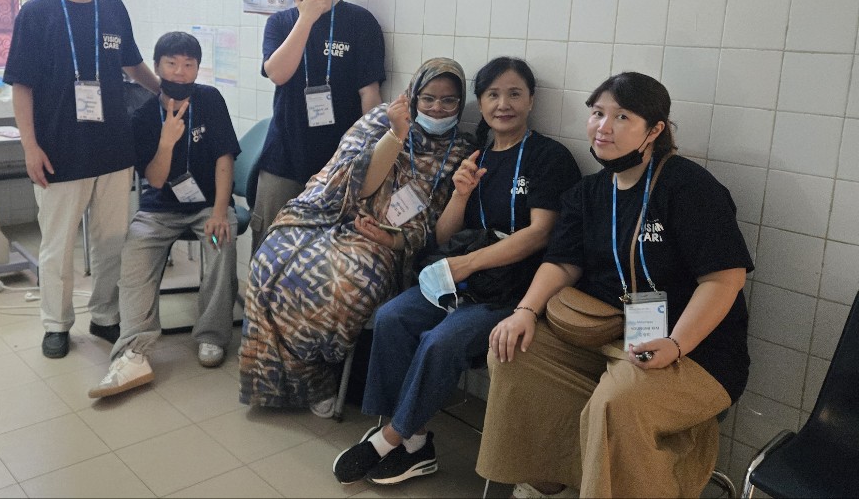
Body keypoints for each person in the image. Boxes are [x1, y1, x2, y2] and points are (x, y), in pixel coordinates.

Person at [477, 72, 752, 498]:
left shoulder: (688, 187)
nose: (603, 126)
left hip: (695, 351)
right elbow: (562, 263)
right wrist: (525, 311)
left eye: (622, 116)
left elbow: (724, 278)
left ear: (654, 130)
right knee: (513, 351)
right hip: (604, 333)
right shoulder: (588, 193)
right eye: (597, 113)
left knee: (619, 400)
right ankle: (546, 479)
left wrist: (676, 343)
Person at [332, 58, 580, 486]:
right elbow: (445, 236)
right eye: (493, 95)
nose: (503, 104)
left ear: (531, 100)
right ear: (480, 103)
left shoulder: (548, 157)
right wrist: (461, 195)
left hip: (512, 287)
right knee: (392, 317)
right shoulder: (473, 154)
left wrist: (468, 263)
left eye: (514, 94)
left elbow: (540, 233)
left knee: (440, 340)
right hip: (459, 277)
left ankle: (390, 438)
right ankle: (416, 443)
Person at [240, 58, 473, 416]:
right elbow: (350, 184)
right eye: (427, 98)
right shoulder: (381, 119)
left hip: (387, 240)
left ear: (461, 102)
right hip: (330, 214)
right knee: (269, 261)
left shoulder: (460, 151)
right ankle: (273, 377)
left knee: (341, 285)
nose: (437, 108)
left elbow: (435, 228)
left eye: (448, 100)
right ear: (412, 96)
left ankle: (317, 377)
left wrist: (390, 240)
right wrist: (396, 135)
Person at [4, 0, 160, 359]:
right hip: (58, 151)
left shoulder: (113, 8)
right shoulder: (36, 14)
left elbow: (133, 64)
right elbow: (22, 86)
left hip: (113, 149)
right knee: (57, 248)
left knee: (112, 243)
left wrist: (164, 92)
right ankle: (56, 324)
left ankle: (105, 316)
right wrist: (30, 146)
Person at [88, 32, 241, 398]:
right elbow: (155, 180)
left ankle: (212, 335)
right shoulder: (143, 115)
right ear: (157, 67)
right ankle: (134, 351)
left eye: (189, 64)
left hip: (208, 207)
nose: (180, 71)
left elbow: (224, 160)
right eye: (172, 63)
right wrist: (167, 141)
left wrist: (221, 212)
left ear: (198, 69)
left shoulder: (210, 100)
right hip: (159, 211)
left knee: (221, 242)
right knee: (135, 252)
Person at [250, 0, 386, 255]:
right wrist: (307, 18)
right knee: (270, 249)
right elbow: (278, 74)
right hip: (284, 158)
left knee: (325, 255)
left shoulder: (360, 22)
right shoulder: (279, 24)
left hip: (339, 162)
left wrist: (369, 156)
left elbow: (369, 95)